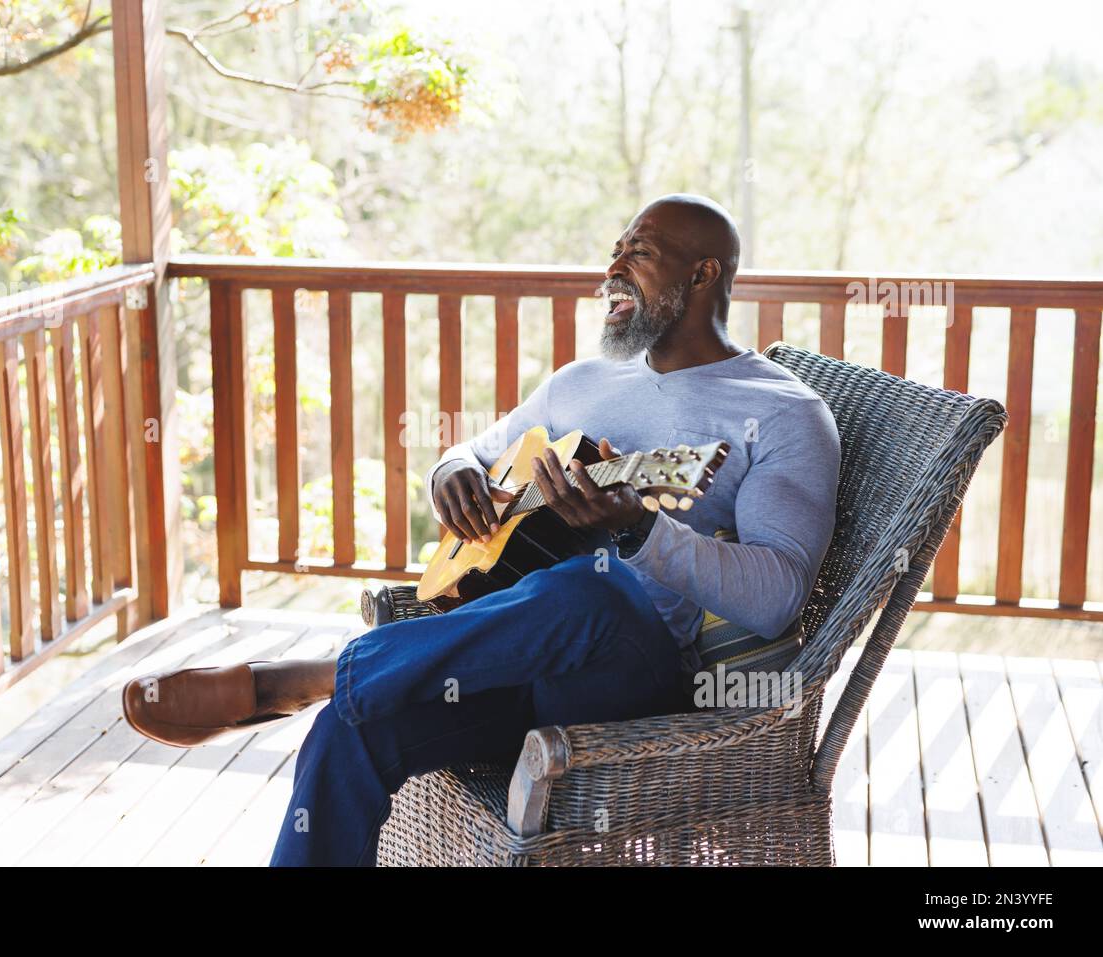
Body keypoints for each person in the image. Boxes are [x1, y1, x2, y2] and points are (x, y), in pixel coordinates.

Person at [122, 194, 841, 866]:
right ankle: (341, 685)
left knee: (596, 587)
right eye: (615, 249)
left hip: (633, 685)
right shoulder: (581, 382)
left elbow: (779, 594)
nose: (613, 268)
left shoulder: (781, 414)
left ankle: (309, 675)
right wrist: (451, 474)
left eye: (641, 252)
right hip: (507, 666)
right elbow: (476, 450)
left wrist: (642, 533)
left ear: (704, 273)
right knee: (352, 728)